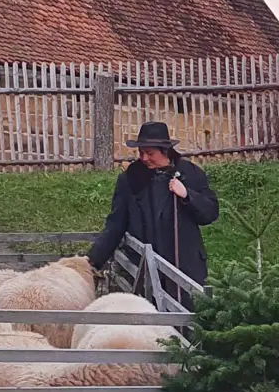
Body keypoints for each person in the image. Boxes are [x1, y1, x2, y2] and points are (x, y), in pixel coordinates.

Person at [89, 121, 219, 307]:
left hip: (185, 263)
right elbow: (116, 223)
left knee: (188, 318)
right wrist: (93, 259)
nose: (143, 158)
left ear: (165, 151)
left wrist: (187, 195)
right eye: (141, 152)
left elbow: (211, 213)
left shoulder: (191, 174)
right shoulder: (130, 179)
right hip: (146, 267)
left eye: (150, 153)